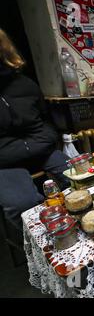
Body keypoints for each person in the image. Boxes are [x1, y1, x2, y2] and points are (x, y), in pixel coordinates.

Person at [0, 29, 70, 230]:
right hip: (4, 161)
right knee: (24, 206)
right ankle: (44, 249)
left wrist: (46, 140)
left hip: (38, 149)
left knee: (82, 178)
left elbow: (46, 120)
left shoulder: (24, 84)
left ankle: (77, 227)